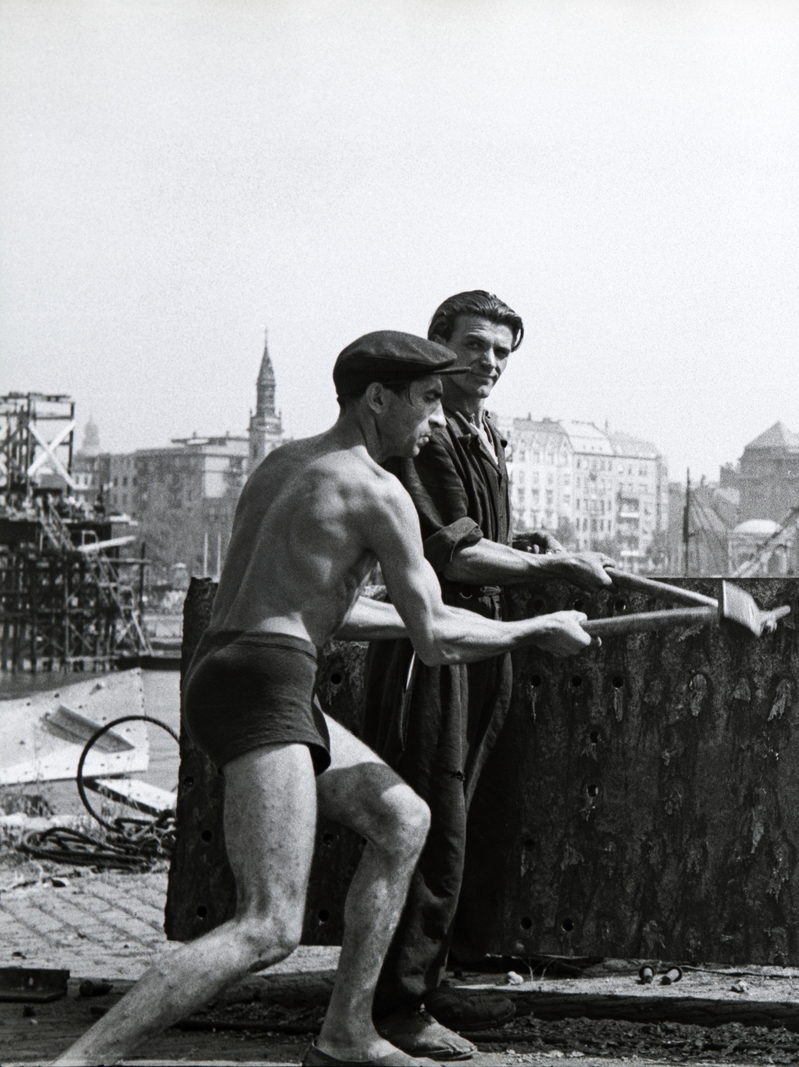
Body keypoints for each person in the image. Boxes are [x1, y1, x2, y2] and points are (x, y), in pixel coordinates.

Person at [54, 331, 592, 1067]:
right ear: (378, 399)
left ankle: (347, 1033)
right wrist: (534, 628)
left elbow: (336, 611)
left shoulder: (284, 463)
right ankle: (75, 1062)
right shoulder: (379, 490)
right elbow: (432, 636)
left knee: (402, 817)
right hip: (267, 683)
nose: (436, 421)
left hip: (232, 667)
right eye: (428, 400)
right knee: (267, 926)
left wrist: (513, 625)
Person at [361, 291, 613, 1061]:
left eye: (502, 351)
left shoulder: (483, 431)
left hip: (485, 640)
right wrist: (551, 564)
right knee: (432, 820)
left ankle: (439, 975)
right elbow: (453, 554)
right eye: (474, 346)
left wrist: (527, 547)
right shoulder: (427, 435)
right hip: (434, 649)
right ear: (438, 345)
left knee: (469, 815)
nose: (490, 362)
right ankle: (399, 1008)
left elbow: (486, 538)